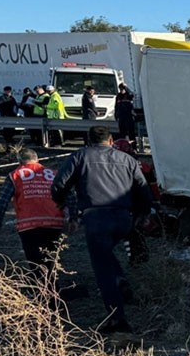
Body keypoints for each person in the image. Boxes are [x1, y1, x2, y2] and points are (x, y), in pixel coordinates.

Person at [51, 125, 152, 333]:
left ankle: (117, 319)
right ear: (111, 140)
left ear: (88, 140)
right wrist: (142, 214)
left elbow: (58, 185)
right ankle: (120, 280)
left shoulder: (80, 156)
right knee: (106, 253)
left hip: (96, 217)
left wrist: (64, 204)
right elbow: (143, 189)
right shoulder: (127, 159)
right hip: (124, 217)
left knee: (102, 268)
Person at [0, 148, 69, 286]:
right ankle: (52, 292)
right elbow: (69, 195)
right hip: (54, 222)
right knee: (50, 259)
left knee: (35, 262)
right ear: (37, 159)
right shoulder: (53, 174)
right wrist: (73, 216)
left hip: (29, 225)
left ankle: (45, 296)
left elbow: (2, 202)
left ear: (20, 162)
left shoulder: (15, 175)